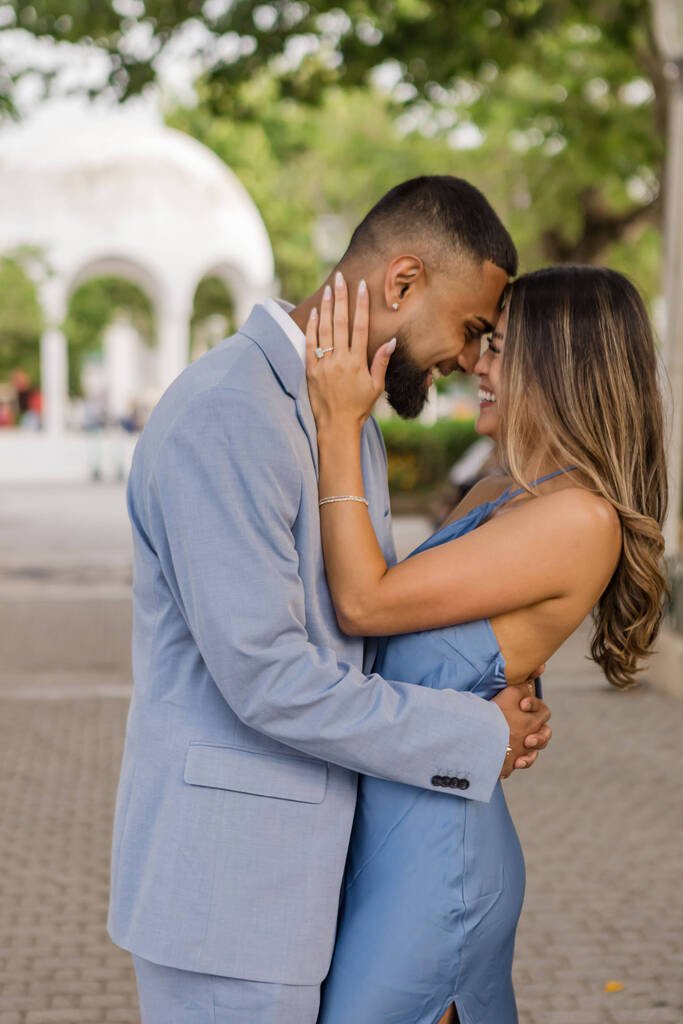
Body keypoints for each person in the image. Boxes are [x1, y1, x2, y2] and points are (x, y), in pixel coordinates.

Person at [107, 176, 553, 1023]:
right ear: (401, 282)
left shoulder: (346, 420)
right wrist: (469, 735)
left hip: (308, 894)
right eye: (467, 329)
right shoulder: (229, 413)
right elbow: (267, 677)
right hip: (231, 905)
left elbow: (357, 632)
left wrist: (489, 694)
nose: (468, 359)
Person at [305, 264, 668, 1024]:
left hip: (439, 865)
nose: (477, 364)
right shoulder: (502, 492)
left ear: (557, 366)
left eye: (499, 348)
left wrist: (340, 424)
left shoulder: (577, 519)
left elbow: (364, 602)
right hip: (390, 839)